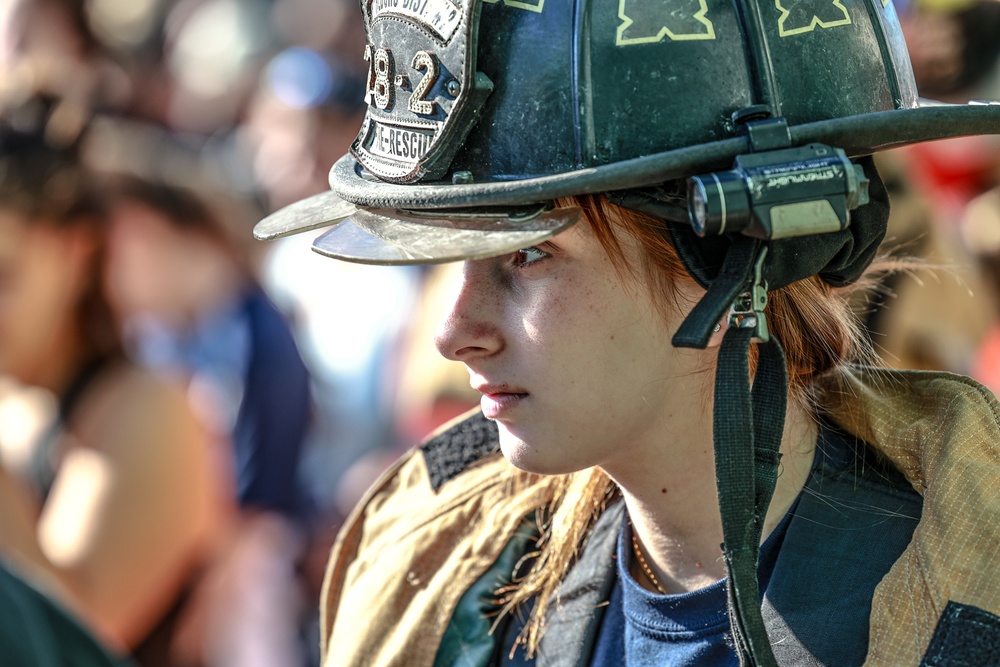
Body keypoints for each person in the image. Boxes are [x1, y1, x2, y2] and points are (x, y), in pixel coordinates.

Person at [253, 4, 1000, 666]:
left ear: (727, 258)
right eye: (457, 256)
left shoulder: (974, 601)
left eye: (527, 253)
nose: (453, 334)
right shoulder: (435, 577)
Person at [0, 92, 220, 664]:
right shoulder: (15, 399)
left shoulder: (151, 410)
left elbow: (72, 637)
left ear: (77, 253)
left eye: (5, 276)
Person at [101, 172, 314, 667]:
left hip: (246, 567)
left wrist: (207, 595)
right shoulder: (163, 331)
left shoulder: (260, 337)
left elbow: (260, 497)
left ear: (166, 234)